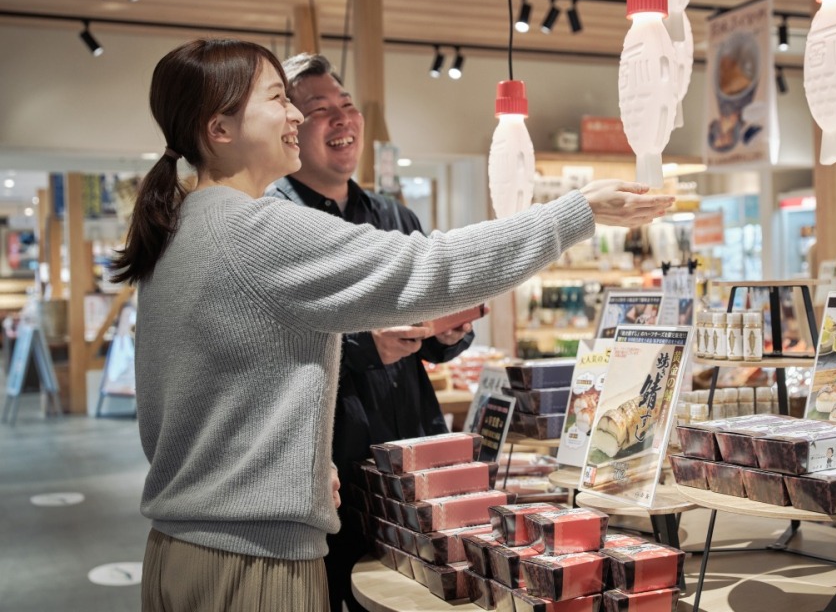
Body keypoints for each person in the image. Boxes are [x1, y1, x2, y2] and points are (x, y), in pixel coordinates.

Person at [114, 38, 673, 612]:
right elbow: (430, 268)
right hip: (251, 563)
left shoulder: (184, 224)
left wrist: (297, 467)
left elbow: (203, 396)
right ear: (220, 130)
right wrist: (577, 211)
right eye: (278, 98)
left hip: (188, 550)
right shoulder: (253, 229)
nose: (297, 115)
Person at [265, 52, 475, 612]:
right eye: (319, 109)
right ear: (290, 125)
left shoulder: (393, 216)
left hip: (413, 441)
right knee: (345, 591)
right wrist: (365, 345)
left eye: (347, 105)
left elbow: (432, 329)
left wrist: (447, 332)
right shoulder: (276, 220)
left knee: (422, 588)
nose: (341, 119)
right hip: (335, 458)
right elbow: (272, 338)